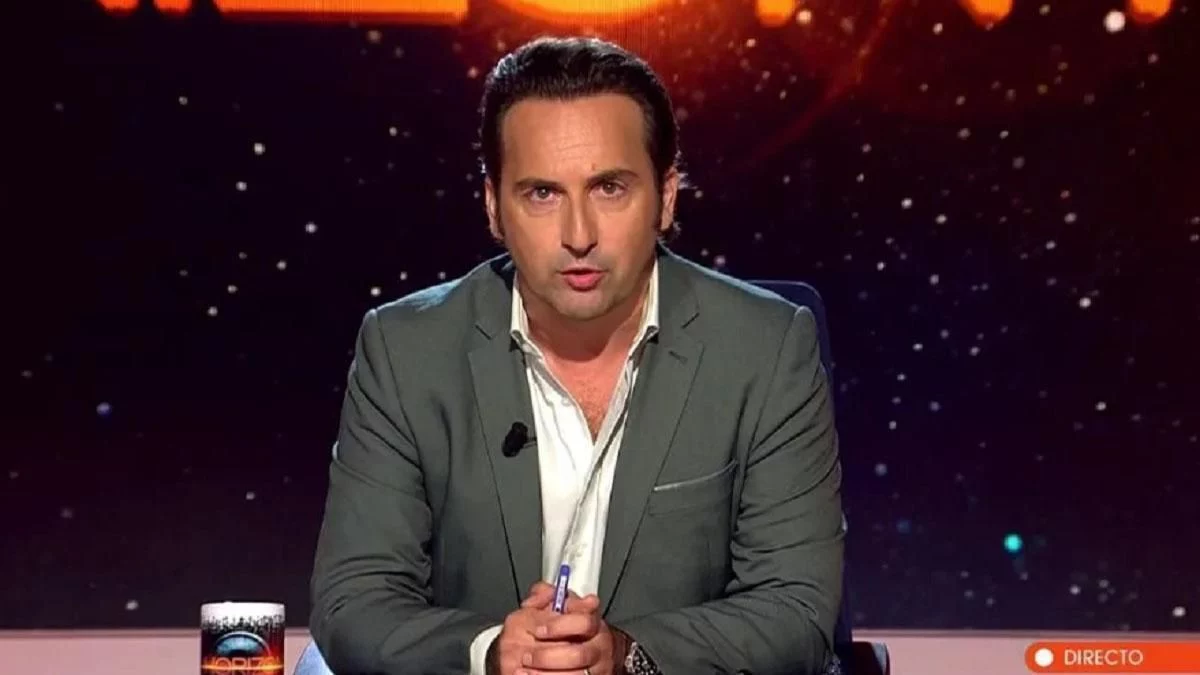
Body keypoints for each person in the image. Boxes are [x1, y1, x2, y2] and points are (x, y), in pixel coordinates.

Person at [308, 36, 845, 675]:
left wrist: (624, 655)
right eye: (542, 194)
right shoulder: (405, 352)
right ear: (493, 207)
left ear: (667, 196)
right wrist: (490, 653)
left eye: (609, 188)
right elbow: (355, 603)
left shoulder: (766, 348)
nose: (579, 235)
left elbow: (795, 611)